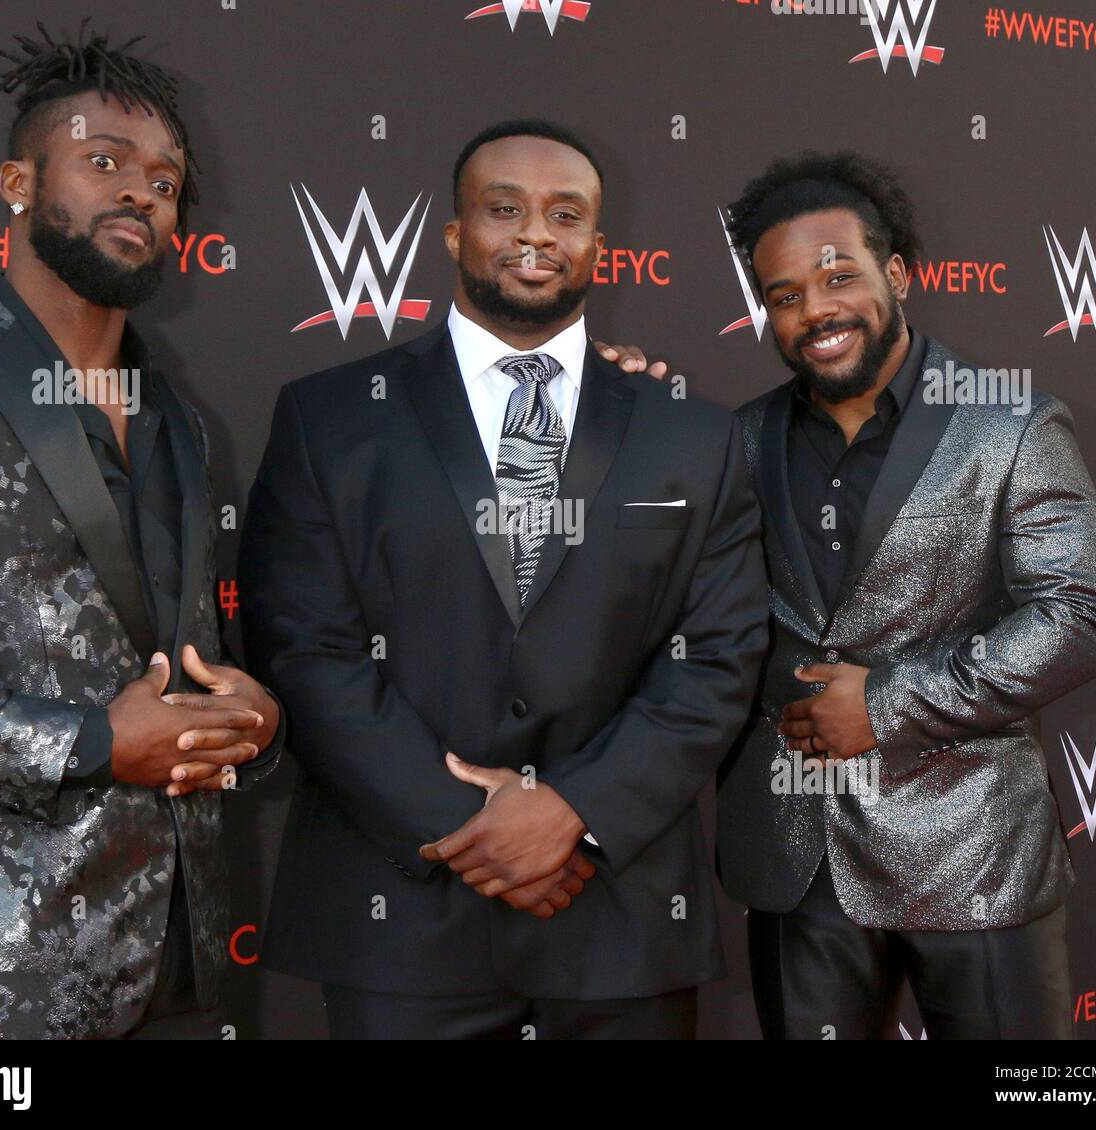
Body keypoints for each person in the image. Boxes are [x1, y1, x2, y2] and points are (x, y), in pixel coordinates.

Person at [240, 118, 769, 1040]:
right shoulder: (330, 418)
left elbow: (718, 658)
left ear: (599, 246)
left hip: (617, 916)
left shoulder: (696, 435)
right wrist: (468, 824)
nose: (535, 235)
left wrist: (575, 812)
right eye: (503, 209)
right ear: (454, 235)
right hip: (400, 918)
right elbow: (304, 649)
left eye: (566, 215)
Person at [0, 23, 282, 1040]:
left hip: (179, 957)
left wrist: (246, 720)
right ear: (19, 179)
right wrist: (94, 739)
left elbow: (175, 656)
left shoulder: (178, 420)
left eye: (163, 177)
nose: (142, 192)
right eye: (103, 161)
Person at [709, 152, 1096, 1038]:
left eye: (836, 275)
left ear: (895, 273)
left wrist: (889, 705)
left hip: (976, 857)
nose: (814, 309)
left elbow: (1080, 616)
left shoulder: (1011, 423)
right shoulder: (737, 439)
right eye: (783, 295)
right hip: (797, 859)